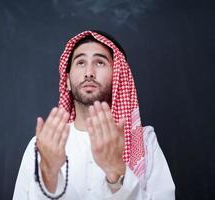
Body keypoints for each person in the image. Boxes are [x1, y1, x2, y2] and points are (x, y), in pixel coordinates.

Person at [12, 30, 175, 200]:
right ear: (66, 80)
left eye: (100, 62)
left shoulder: (144, 142)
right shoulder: (44, 144)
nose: (89, 72)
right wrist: (49, 176)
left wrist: (117, 171)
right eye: (81, 62)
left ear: (117, 77)